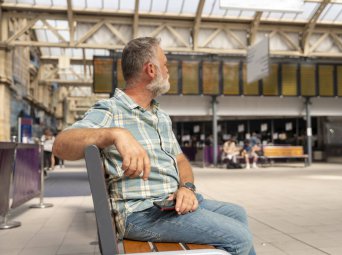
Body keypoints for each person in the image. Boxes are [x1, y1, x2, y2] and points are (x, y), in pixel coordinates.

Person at [53, 37, 255, 255]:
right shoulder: (112, 110)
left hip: (170, 204)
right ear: (151, 69)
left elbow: (180, 161)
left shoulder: (161, 116)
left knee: (239, 214)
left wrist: (186, 188)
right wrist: (115, 134)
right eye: (165, 65)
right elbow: (61, 144)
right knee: (239, 238)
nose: (168, 71)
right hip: (142, 213)